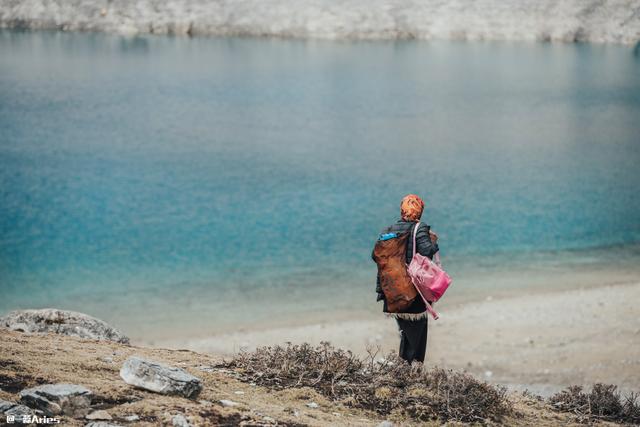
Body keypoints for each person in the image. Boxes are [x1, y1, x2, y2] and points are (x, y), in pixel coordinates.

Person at [375, 194, 439, 363]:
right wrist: (433, 242)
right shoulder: (420, 228)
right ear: (419, 210)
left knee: (406, 335)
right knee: (417, 338)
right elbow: (426, 251)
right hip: (413, 291)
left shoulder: (388, 230)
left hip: (392, 291)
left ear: (402, 209)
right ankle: (412, 375)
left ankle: (405, 372)